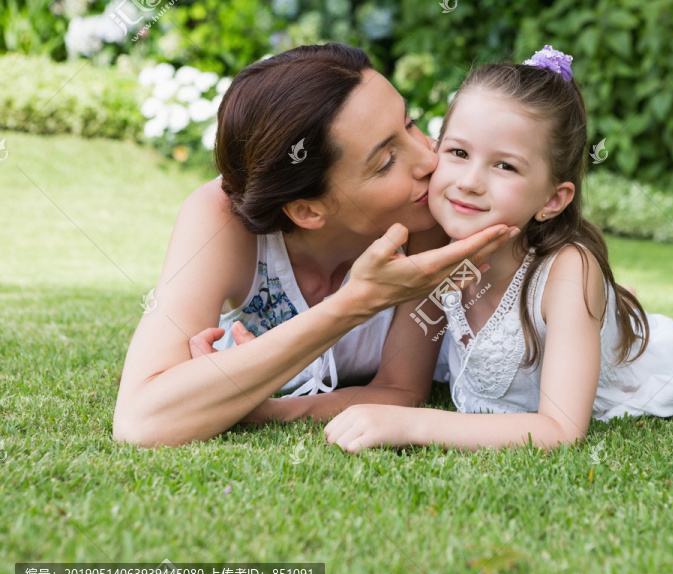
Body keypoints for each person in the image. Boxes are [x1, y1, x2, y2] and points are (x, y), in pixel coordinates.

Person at [323, 46, 673, 453]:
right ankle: (628, 313)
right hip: (582, 321)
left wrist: (410, 426)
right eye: (458, 152)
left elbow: (559, 429)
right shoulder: (432, 248)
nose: (469, 181)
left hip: (621, 375)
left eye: (504, 165)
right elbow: (400, 382)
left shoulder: (568, 271)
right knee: (646, 332)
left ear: (554, 199)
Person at [112, 43, 518, 448]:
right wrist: (357, 302)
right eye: (386, 161)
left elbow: (402, 389)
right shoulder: (222, 220)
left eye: (409, 124)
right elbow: (141, 421)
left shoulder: (425, 214)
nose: (431, 160)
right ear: (306, 210)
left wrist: (270, 410)